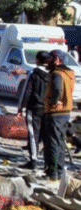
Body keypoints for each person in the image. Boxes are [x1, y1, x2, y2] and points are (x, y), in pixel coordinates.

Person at [43, 50, 75, 182]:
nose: (47, 61)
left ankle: (53, 173)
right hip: (65, 113)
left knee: (52, 143)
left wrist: (52, 102)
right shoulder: (69, 73)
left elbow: (57, 90)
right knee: (60, 142)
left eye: (50, 58)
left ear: (57, 59)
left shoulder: (57, 74)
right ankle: (60, 171)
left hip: (55, 112)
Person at [16, 51, 50, 171]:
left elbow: (27, 92)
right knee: (46, 135)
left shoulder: (33, 74)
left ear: (37, 60)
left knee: (32, 134)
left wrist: (21, 108)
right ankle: (47, 163)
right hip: (47, 109)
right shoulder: (52, 74)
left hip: (33, 108)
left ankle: (34, 161)